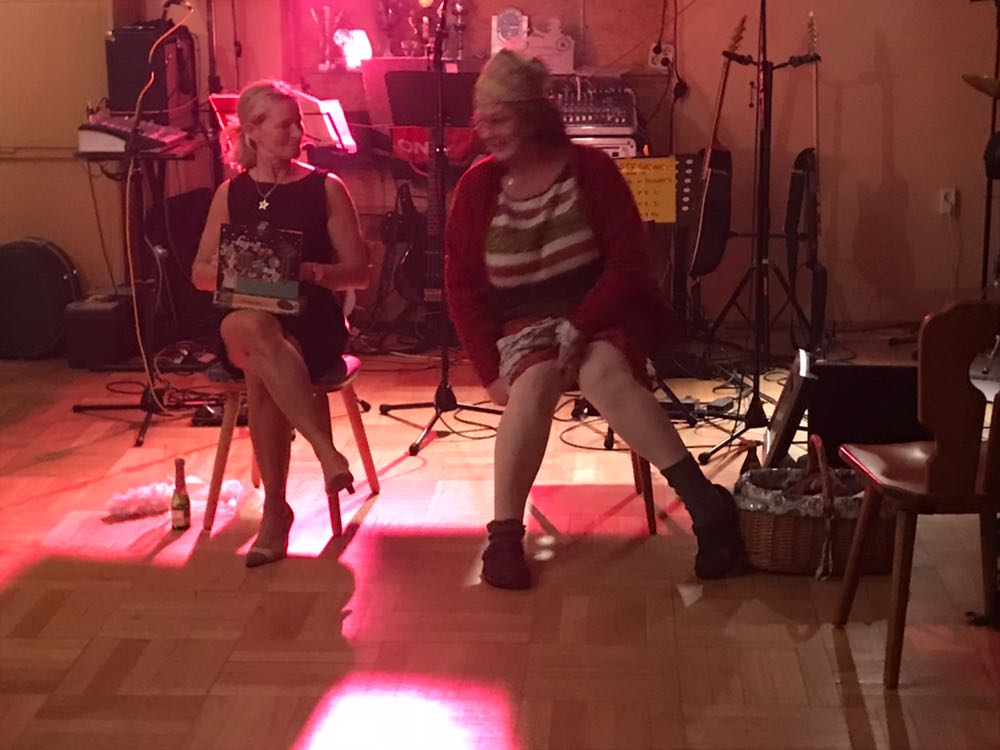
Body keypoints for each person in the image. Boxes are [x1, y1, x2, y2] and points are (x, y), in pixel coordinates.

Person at [444, 50, 746, 589]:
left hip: (604, 307)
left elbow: (629, 263)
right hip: (523, 323)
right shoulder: (475, 188)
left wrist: (583, 324)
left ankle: (705, 506)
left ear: (533, 115)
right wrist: (488, 370)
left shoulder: (592, 171)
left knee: (602, 372)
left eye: (500, 118)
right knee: (533, 382)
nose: (487, 131)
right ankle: (504, 538)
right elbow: (462, 288)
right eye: (482, 118)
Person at [192, 80, 370, 567]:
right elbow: (199, 273)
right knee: (252, 325)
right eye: (285, 125)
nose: (298, 134)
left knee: (260, 360)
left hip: (309, 322)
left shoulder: (325, 187)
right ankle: (325, 451)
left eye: (298, 124)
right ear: (252, 132)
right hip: (243, 318)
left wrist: (307, 271)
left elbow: (359, 272)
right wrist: (236, 270)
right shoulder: (231, 193)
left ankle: (275, 512)